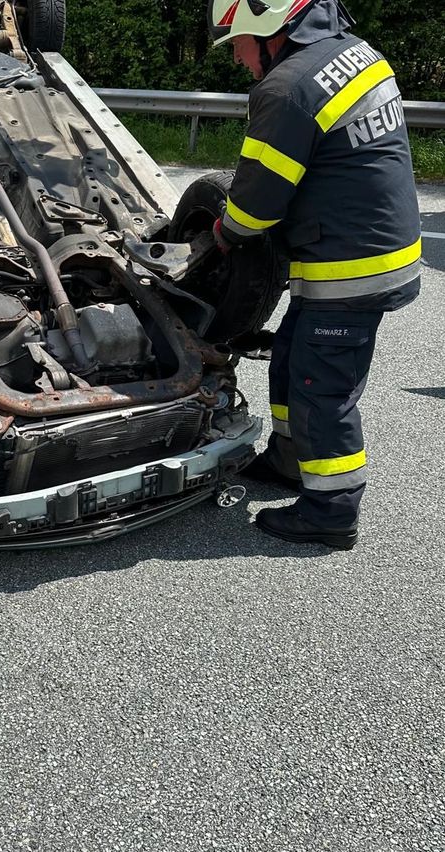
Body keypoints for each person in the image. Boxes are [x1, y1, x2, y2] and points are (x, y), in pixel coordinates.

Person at [208, 0, 421, 550]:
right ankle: (288, 461)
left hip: (350, 266)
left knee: (319, 387)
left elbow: (256, 203)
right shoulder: (353, 54)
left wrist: (224, 233)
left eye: (236, 42)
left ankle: (331, 511)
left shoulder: (288, 90)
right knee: (291, 357)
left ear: (267, 27)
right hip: (365, 248)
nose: (236, 57)